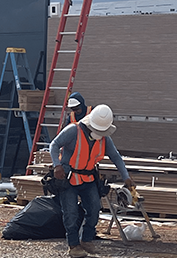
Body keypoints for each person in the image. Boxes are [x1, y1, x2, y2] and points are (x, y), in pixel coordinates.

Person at [49, 104, 135, 258]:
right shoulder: (73, 131)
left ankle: (87, 240)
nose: (100, 134)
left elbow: (116, 157)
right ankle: (74, 245)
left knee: (95, 209)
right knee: (71, 213)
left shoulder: (104, 139)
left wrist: (126, 177)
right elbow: (54, 145)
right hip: (68, 178)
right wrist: (57, 165)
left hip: (88, 178)